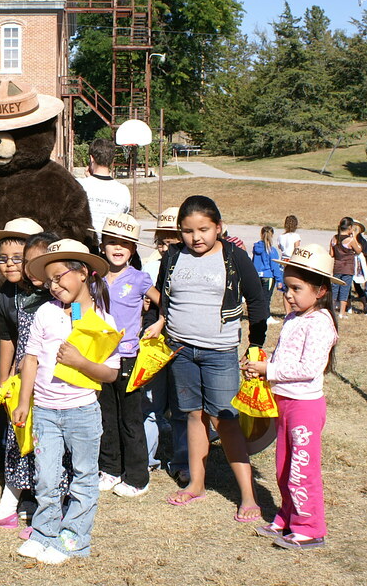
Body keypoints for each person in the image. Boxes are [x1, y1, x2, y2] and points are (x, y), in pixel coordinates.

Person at [143, 195, 268, 522]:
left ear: (219, 228)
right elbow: (164, 297)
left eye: (203, 229)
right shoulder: (172, 257)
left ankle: (247, 494)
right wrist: (160, 320)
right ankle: (197, 484)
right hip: (182, 351)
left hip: (219, 353)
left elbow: (257, 302)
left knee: (224, 419)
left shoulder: (234, 257)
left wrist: (255, 345)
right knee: (193, 416)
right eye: (187, 231)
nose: (196, 237)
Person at [12, 239, 121, 564]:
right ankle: (44, 532)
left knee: (84, 475)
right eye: (50, 281)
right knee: (45, 477)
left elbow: (110, 373)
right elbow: (30, 359)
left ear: (84, 273)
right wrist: (23, 402)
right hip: (45, 411)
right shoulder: (45, 313)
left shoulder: (103, 323)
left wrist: (80, 363)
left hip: (82, 412)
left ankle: (73, 538)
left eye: (60, 277)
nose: (55, 286)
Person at [243, 243, 339, 550]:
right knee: (284, 467)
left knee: (302, 468)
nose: (288, 294)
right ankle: (287, 517)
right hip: (283, 403)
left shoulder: (321, 323)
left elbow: (309, 367)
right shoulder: (295, 318)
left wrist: (268, 369)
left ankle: (310, 526)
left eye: (297, 289)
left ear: (321, 290)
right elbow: (288, 357)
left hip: (304, 408)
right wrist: (264, 363)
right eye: (286, 287)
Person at [0, 220, 51, 535]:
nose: (11, 264)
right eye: (4, 258)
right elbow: (7, 337)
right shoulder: (6, 293)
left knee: (47, 442)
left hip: (51, 379)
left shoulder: (52, 289)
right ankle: (8, 507)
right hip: (21, 378)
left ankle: (46, 507)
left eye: (19, 258)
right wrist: (4, 381)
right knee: (18, 438)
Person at [94, 214, 160, 499]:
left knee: (130, 417)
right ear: (103, 245)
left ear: (133, 250)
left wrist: (158, 322)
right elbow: (79, 307)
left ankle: (136, 476)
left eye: (124, 244)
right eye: (112, 242)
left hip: (128, 357)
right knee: (106, 415)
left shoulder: (140, 278)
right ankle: (110, 469)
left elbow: (164, 302)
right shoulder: (93, 278)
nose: (117, 248)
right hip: (98, 357)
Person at [140, 207, 183, 476]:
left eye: (172, 240)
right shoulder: (149, 264)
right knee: (150, 404)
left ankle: (182, 461)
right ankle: (146, 459)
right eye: (162, 240)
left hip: (179, 340)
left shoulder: (190, 265)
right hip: (154, 342)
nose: (166, 246)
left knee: (181, 406)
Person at [78, 139, 129, 240]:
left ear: (91, 158)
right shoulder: (123, 191)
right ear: (112, 160)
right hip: (109, 246)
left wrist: (88, 179)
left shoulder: (79, 185)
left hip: (84, 245)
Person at [328, 217, 362, 319]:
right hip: (347, 267)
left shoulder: (334, 238)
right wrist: (355, 237)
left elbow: (331, 253)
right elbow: (359, 250)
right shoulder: (350, 240)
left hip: (337, 267)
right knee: (345, 289)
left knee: (334, 288)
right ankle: (342, 312)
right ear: (350, 228)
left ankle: (332, 310)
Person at [252, 226, 282, 321]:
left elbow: (254, 262)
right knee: (266, 298)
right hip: (268, 276)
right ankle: (266, 317)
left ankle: (259, 315)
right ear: (272, 235)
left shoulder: (256, 248)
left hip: (257, 276)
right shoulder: (271, 250)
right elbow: (275, 266)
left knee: (259, 298)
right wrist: (279, 280)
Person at [277, 215, 301, 316]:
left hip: (283, 261)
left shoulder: (281, 237)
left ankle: (287, 312)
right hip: (292, 260)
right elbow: (297, 249)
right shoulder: (296, 236)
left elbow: (280, 247)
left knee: (285, 288)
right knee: (294, 286)